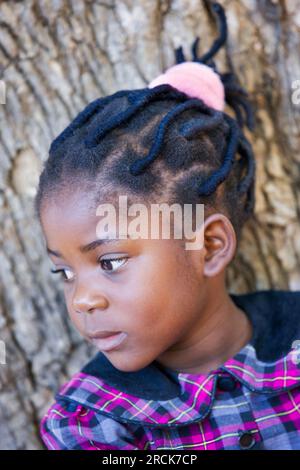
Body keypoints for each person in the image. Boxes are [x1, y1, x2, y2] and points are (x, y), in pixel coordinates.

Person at [36, 3, 300, 450]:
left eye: (111, 260)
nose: (82, 299)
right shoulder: (92, 422)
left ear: (209, 245)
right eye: (64, 272)